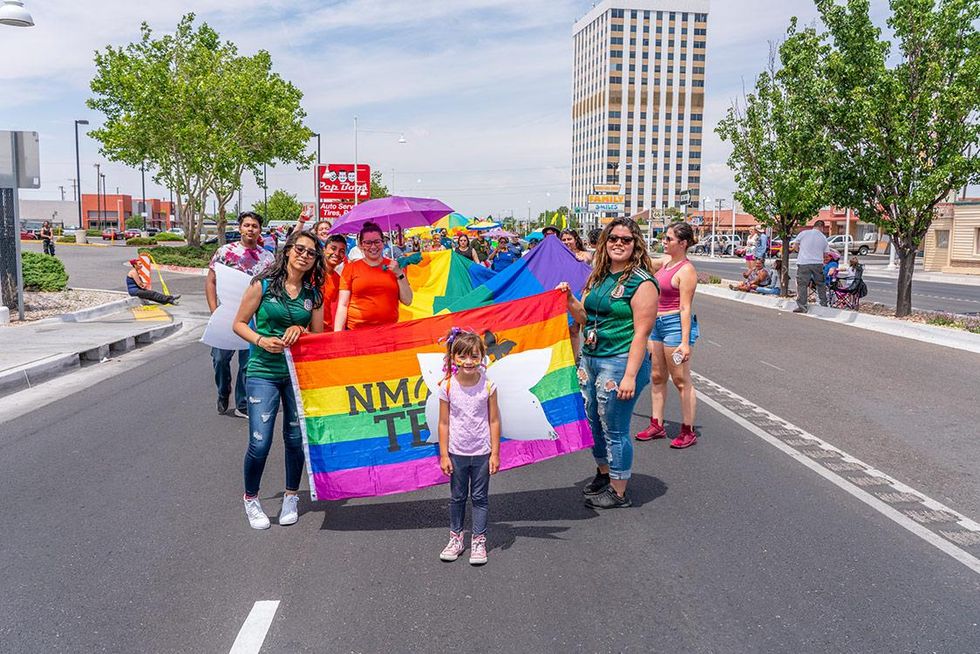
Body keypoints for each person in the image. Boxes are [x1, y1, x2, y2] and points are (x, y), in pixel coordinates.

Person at [559, 217, 659, 509]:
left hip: (620, 362)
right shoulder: (597, 277)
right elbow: (584, 317)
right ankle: (604, 473)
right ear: (605, 242)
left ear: (635, 244)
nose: (618, 243)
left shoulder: (642, 283)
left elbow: (642, 332)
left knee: (614, 426)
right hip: (591, 360)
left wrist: (629, 376)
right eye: (613, 238)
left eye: (625, 239)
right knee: (592, 422)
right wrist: (567, 299)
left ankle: (619, 489)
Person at [232, 230, 325, 530]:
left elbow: (320, 336)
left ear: (315, 261)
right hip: (263, 372)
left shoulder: (314, 295)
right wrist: (260, 340)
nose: (304, 255)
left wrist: (303, 332)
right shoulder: (262, 286)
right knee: (260, 441)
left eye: (311, 253)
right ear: (287, 251)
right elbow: (238, 324)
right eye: (300, 249)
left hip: (299, 376)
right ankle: (251, 498)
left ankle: (290, 496)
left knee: (296, 439)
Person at [437, 329, 501, 565]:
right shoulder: (448, 387)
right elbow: (443, 423)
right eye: (463, 357)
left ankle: (479, 540)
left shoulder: (488, 386)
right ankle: (456, 538)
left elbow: (494, 420)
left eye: (474, 357)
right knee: (457, 497)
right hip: (457, 453)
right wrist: (444, 455)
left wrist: (495, 453)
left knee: (480, 497)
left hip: (482, 453)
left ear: (482, 358)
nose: (468, 362)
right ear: (454, 358)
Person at [635, 221, 700, 449]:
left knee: (681, 380)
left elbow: (685, 308)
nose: (664, 242)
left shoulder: (687, 270)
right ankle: (657, 424)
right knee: (657, 376)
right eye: (664, 238)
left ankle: (687, 430)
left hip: (674, 324)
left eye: (669, 239)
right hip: (657, 324)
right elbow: (642, 264)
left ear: (682, 243)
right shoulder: (665, 262)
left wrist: (685, 342)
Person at [205, 211, 276, 417]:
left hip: (252, 319)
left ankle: (242, 403)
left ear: (260, 230)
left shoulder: (267, 258)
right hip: (226, 314)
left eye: (254, 226)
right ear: (240, 228)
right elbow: (211, 281)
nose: (250, 229)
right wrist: (213, 311)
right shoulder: (225, 252)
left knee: (247, 363)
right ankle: (222, 390)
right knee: (220, 359)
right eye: (247, 225)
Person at [334, 221, 413, 330]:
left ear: (383, 242)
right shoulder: (350, 268)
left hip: (389, 332)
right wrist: (338, 335)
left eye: (377, 242)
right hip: (356, 332)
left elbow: (408, 300)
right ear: (361, 245)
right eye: (368, 242)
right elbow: (343, 305)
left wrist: (399, 273)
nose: (373, 246)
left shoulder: (395, 266)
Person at [790, 219, 831, 313]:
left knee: (802, 285)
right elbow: (826, 254)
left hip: (804, 262)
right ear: (822, 227)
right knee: (820, 284)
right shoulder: (823, 238)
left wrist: (801, 251)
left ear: (814, 225)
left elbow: (795, 246)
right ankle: (823, 304)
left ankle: (802, 306)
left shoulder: (804, 233)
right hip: (818, 263)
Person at [321, 234, 348, 329]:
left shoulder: (340, 279)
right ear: (324, 250)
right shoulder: (312, 273)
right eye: (333, 248)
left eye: (342, 251)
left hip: (328, 331)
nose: (336, 253)